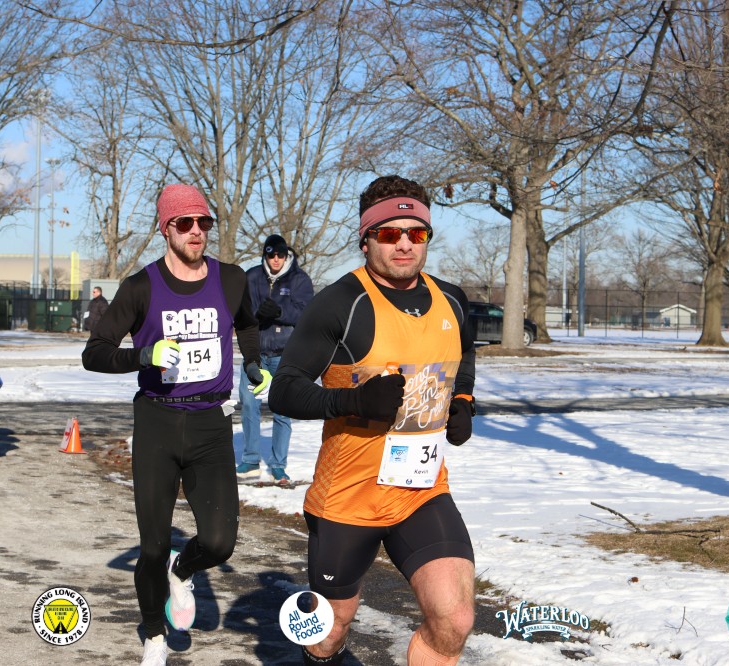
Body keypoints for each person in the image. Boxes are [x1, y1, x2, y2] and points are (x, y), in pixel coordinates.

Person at [269, 175, 477, 665]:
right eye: (389, 233)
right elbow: (285, 390)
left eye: (416, 233)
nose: (404, 244)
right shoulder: (341, 303)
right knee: (328, 631)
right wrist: (354, 401)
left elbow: (464, 352)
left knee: (455, 619)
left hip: (421, 490)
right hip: (348, 498)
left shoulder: (452, 300)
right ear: (365, 239)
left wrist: (464, 399)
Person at [82, 183, 268, 665]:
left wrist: (252, 362)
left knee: (220, 542)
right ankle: (153, 634)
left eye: (203, 222)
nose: (196, 231)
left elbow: (247, 324)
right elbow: (94, 353)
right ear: (166, 229)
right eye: (185, 223)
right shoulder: (141, 286)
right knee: (152, 546)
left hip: (211, 422)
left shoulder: (231, 279)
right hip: (158, 422)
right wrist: (143, 355)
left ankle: (181, 570)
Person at [236, 234, 313, 485]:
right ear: (265, 255)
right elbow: (240, 311)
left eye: (280, 254)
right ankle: (250, 460)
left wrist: (280, 311)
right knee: (249, 405)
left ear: (286, 254)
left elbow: (306, 313)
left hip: (284, 355)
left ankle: (279, 465)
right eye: (271, 255)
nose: (276, 259)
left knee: (282, 410)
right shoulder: (251, 277)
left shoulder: (299, 279)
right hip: (255, 354)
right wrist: (255, 316)